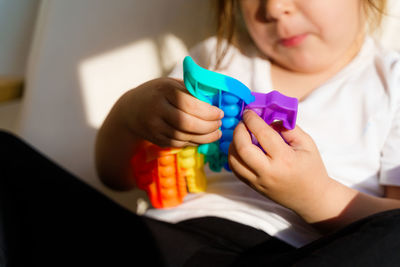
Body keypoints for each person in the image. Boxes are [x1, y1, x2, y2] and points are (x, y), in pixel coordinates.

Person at [1, 0, 400, 266]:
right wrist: (130, 113)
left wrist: (316, 197)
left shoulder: (392, 82)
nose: (276, 8)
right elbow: (114, 176)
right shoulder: (216, 60)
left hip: (297, 251)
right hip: (163, 237)